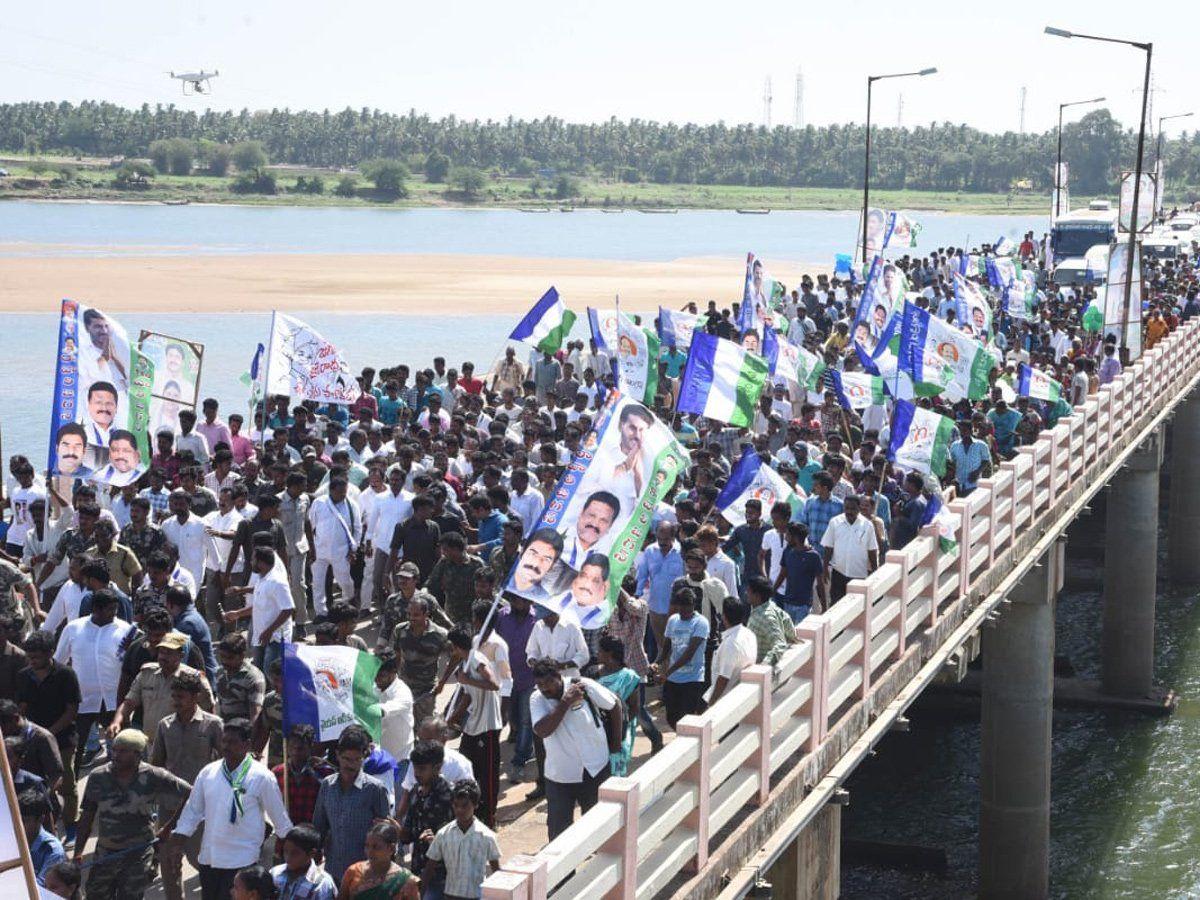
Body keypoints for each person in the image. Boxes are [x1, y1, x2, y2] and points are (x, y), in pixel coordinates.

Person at [171, 718, 294, 900]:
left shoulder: (262, 777)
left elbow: (280, 819)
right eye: (224, 741)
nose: (226, 746)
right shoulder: (208, 772)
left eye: (233, 742)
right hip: (210, 860)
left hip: (242, 863)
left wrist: (293, 853)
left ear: (247, 745)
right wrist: (178, 843)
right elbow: (193, 811)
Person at [74, 728, 192, 900]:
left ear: (137, 754)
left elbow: (191, 793)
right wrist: (78, 852)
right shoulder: (98, 776)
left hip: (138, 855)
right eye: (114, 750)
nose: (116, 755)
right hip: (106, 853)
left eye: (123, 751)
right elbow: (87, 816)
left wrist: (169, 827)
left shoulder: (153, 775)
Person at [152, 670, 224, 900]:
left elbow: (226, 764)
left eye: (181, 697)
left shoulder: (213, 725)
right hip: (169, 806)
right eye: (174, 696)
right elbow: (157, 766)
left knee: (202, 861)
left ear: (196, 697)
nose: (176, 701)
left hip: (200, 807)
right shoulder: (165, 726)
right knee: (169, 865)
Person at [530, 660, 622, 839]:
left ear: (559, 676)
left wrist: (616, 744)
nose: (544, 689)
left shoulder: (583, 685)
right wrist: (565, 702)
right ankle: (566, 868)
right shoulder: (536, 699)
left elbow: (614, 705)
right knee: (558, 833)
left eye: (548, 682)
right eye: (539, 684)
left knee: (599, 827)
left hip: (595, 769)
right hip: (560, 777)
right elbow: (543, 730)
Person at [53, 589, 134, 772]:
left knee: (122, 750)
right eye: (110, 609)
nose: (114, 613)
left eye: (116, 608)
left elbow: (132, 665)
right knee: (76, 751)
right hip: (83, 701)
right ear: (96, 609)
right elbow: (58, 663)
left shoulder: (126, 630)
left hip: (114, 701)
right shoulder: (73, 629)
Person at [312, 724, 392, 884]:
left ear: (364, 757)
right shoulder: (327, 785)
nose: (351, 765)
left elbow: (384, 833)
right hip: (333, 870)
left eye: (357, 760)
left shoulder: (375, 789)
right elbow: (319, 826)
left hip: (365, 874)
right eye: (346, 759)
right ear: (337, 755)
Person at [445, 625, 502, 829]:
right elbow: (468, 696)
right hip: (472, 727)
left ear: (456, 646)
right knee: (469, 772)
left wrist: (466, 679)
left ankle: (490, 818)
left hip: (487, 727)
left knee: (487, 776)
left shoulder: (477, 661)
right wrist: (453, 718)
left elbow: (494, 684)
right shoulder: (466, 663)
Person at [423, 779, 500, 900]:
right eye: (456, 805)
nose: (459, 810)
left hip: (476, 896)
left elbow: (496, 872)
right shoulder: (443, 834)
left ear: (475, 805)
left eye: (465, 806)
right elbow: (429, 868)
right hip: (450, 896)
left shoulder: (487, 836)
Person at [398, 740, 455, 892]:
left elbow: (452, 843)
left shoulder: (450, 797)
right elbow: (408, 836)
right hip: (418, 871)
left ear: (437, 768)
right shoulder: (416, 792)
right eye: (415, 768)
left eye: (422, 769)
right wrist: (396, 829)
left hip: (444, 877)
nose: (417, 773)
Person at [651, 586, 709, 728]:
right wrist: (657, 663)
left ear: (692, 606)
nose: (682, 612)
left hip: (692, 679)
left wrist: (666, 673)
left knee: (686, 719)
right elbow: (666, 648)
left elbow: (688, 655)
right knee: (671, 718)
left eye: (686, 609)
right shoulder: (673, 620)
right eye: (680, 608)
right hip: (673, 680)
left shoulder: (701, 623)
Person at [595, 636, 642, 776]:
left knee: (616, 769)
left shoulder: (628, 676)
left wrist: (620, 727)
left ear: (609, 654)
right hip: (597, 728)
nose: (597, 654)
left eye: (600, 651)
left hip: (620, 728)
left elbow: (634, 707)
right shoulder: (594, 673)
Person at [340, 820, 421, 899]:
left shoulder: (405, 880)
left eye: (376, 847)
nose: (369, 852)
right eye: (367, 846)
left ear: (391, 848)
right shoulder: (354, 872)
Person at [820, 494, 879, 603]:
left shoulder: (867, 526)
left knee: (856, 606)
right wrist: (824, 569)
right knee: (836, 605)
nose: (849, 511)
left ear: (859, 509)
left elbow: (872, 550)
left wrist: (875, 572)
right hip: (838, 574)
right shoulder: (835, 522)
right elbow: (828, 547)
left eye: (853, 509)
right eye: (847, 508)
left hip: (859, 575)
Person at [706, 598, 757, 705]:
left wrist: (711, 704)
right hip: (740, 697)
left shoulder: (731, 644)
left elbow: (723, 679)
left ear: (724, 617)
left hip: (725, 702)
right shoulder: (749, 634)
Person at [271, 824, 339, 900]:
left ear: (311, 854)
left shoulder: (322, 884)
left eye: (295, 853)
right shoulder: (275, 874)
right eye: (285, 851)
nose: (288, 858)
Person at [776, 522, 826, 621]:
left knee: (800, 635)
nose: (785, 538)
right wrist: (771, 591)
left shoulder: (813, 556)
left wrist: (824, 606)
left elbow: (820, 584)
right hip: (788, 603)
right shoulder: (787, 552)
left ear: (795, 537)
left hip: (804, 606)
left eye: (788, 535)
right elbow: (782, 574)